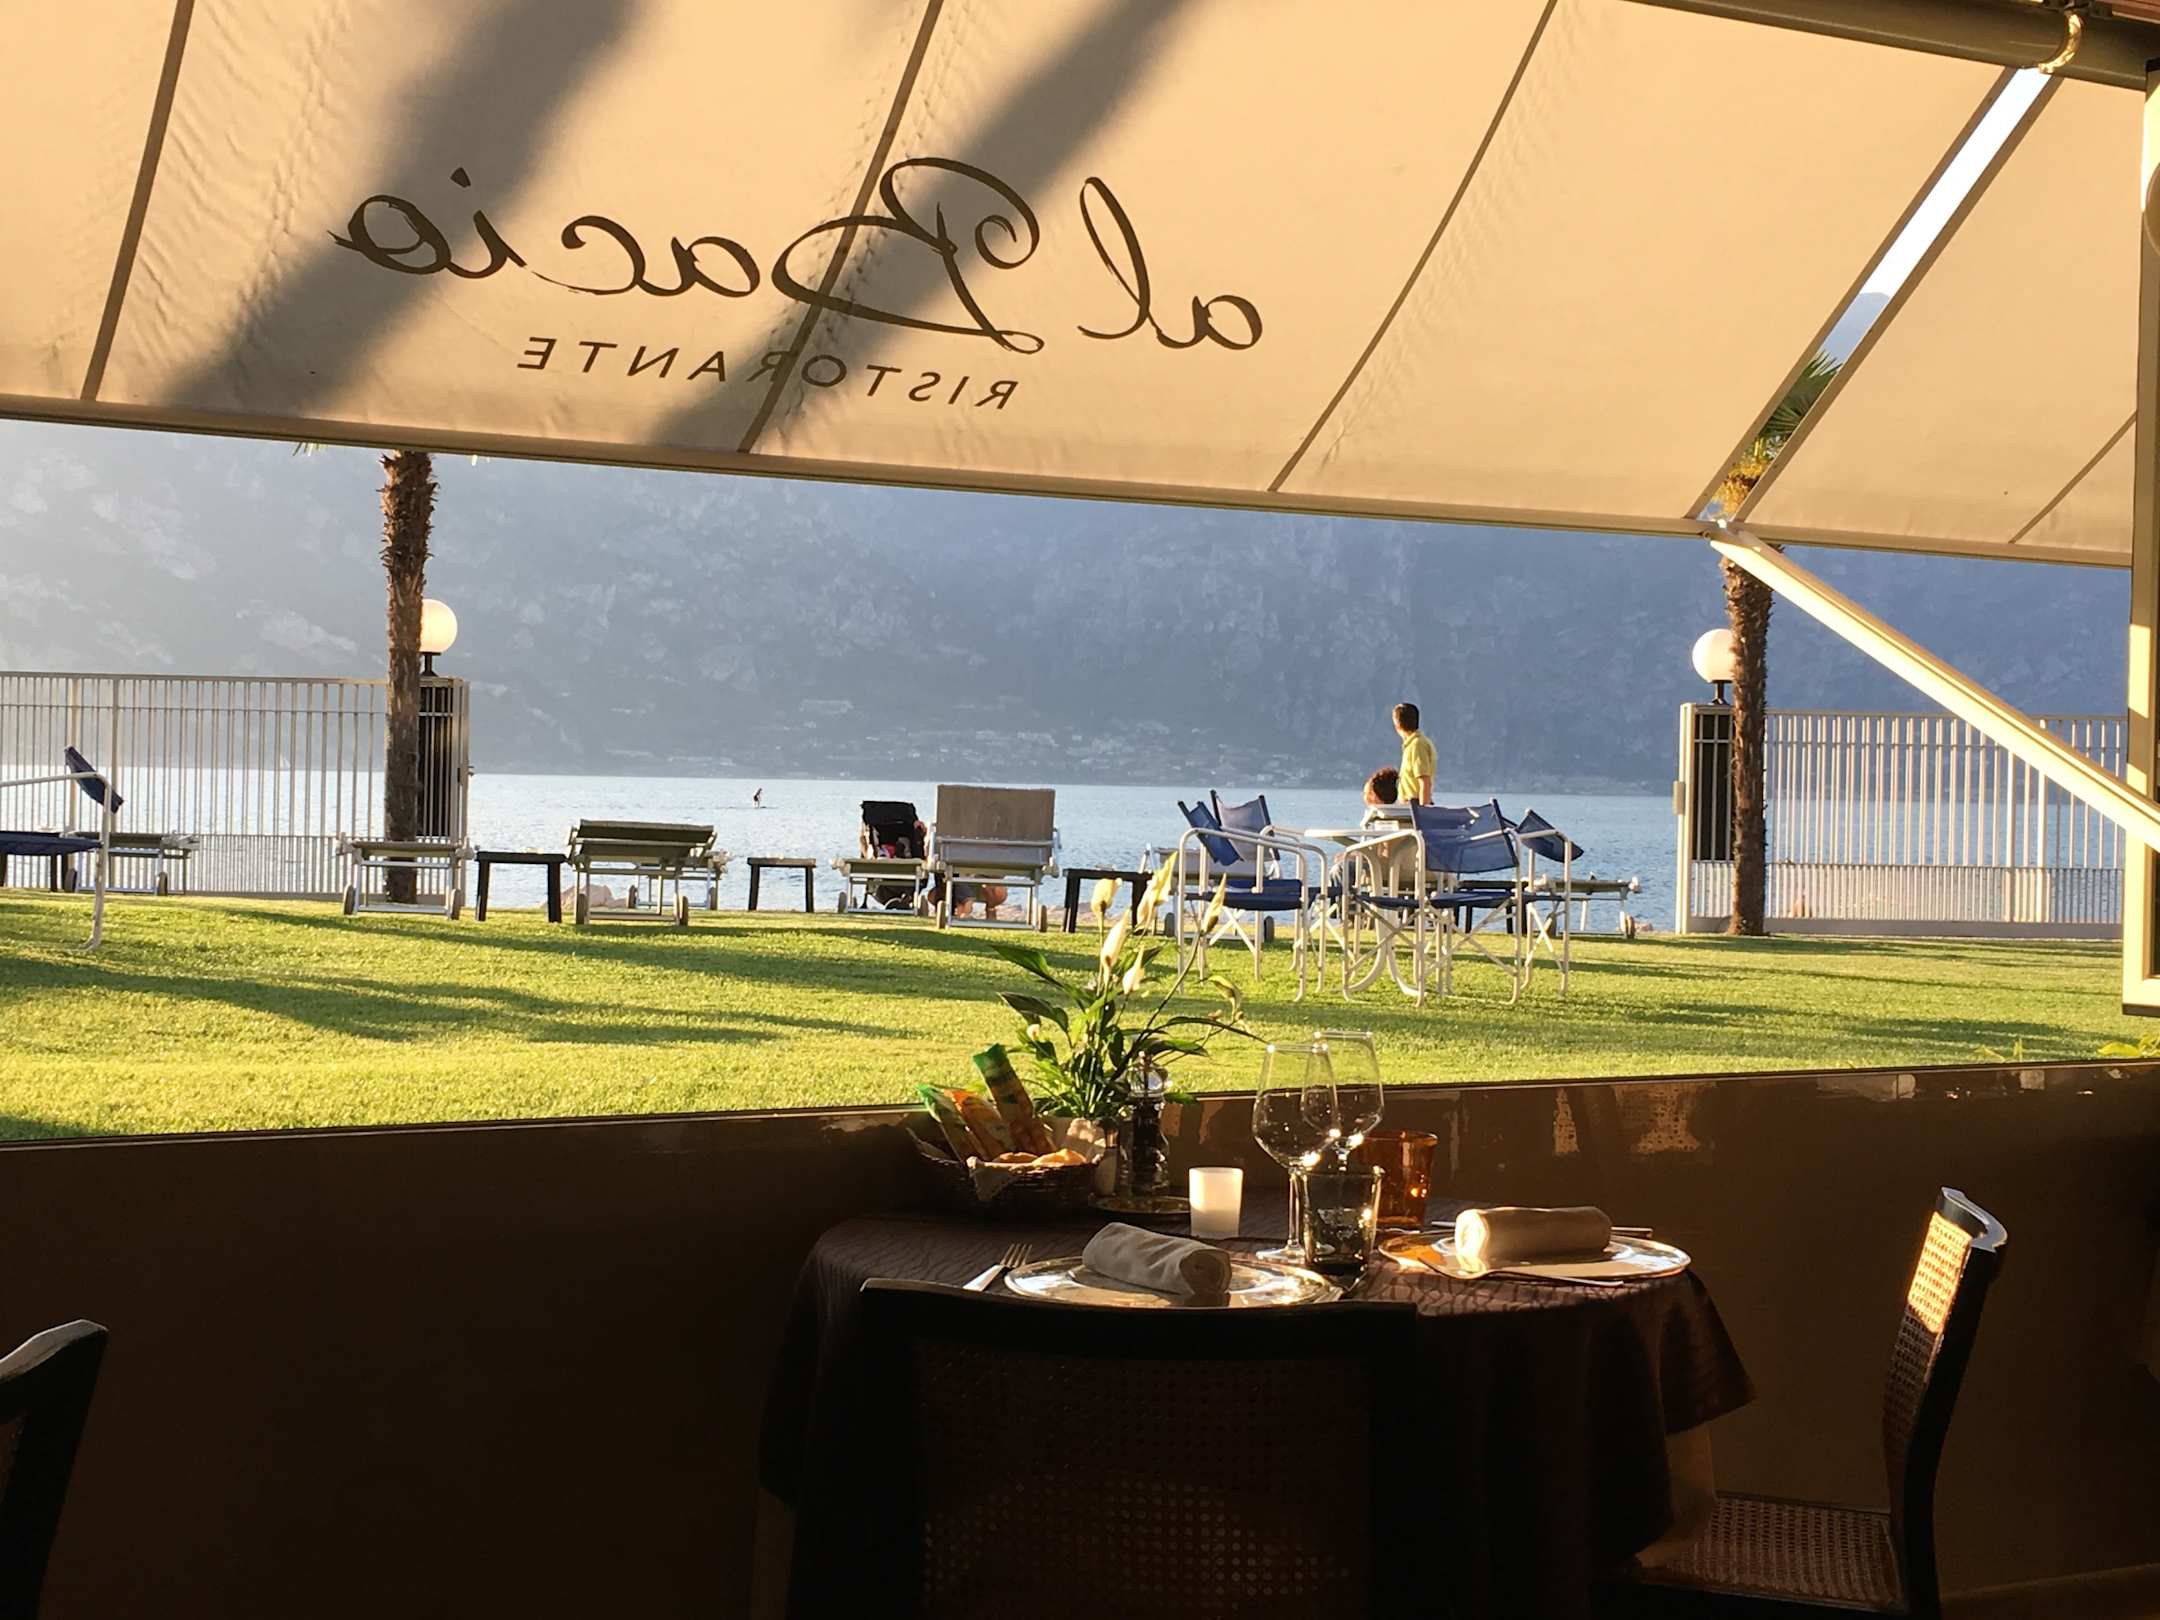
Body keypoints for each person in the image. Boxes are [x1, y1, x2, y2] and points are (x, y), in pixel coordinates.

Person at [1393, 701, 1435, 806]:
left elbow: (1424, 781)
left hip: (1415, 805)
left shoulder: (1417, 745)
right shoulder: (1412, 745)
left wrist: (1423, 811)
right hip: (1409, 805)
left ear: (1397, 724)